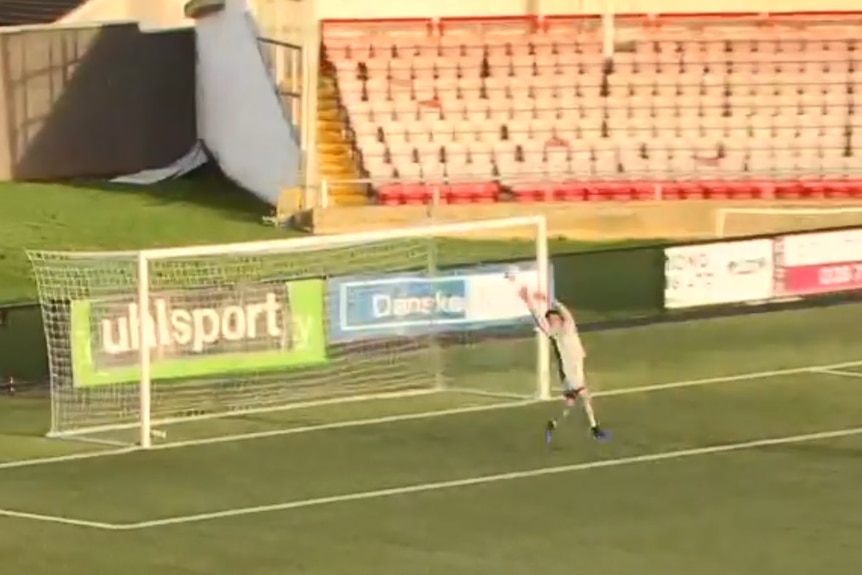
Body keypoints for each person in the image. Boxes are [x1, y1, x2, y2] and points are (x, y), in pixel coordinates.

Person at [518, 287, 609, 444]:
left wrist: (548, 299)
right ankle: (595, 429)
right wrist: (529, 302)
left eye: (555, 318)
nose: (554, 321)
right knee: (585, 396)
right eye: (551, 320)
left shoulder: (568, 327)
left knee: (570, 404)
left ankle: (553, 424)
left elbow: (566, 313)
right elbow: (539, 320)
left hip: (574, 369)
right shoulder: (555, 333)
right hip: (570, 372)